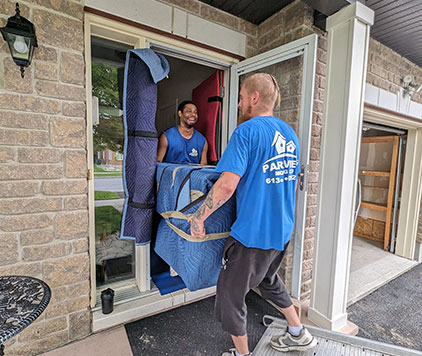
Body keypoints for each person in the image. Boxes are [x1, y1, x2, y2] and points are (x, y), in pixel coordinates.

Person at [188, 73, 317, 356]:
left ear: (255, 98)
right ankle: (298, 332)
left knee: (230, 296)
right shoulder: (290, 135)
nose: (239, 104)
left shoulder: (246, 132)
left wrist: (198, 217)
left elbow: (227, 185)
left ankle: (243, 354)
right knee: (268, 280)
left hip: (252, 234)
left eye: (242, 97)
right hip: (281, 231)